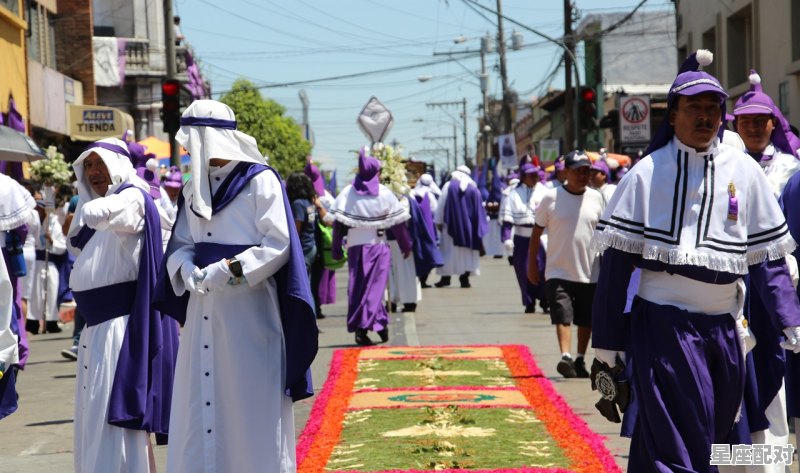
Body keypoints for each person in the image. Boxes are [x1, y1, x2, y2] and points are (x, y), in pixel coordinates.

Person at [590, 50, 800, 472]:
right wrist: (608, 347)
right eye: (694, 108)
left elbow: (766, 261)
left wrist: (790, 320)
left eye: (712, 109)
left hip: (725, 330)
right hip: (663, 328)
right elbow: (614, 272)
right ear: (673, 116)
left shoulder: (744, 170)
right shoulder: (646, 174)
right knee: (677, 443)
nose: (704, 117)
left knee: (707, 439)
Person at [158, 100, 317, 473]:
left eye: (189, 141)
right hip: (203, 312)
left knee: (249, 402)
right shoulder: (191, 188)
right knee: (200, 399)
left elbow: (277, 245)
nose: (184, 150)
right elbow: (180, 244)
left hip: (249, 312)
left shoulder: (260, 181)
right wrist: (185, 269)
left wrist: (225, 272)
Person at [67, 137, 179, 472]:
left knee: (117, 420)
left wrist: (89, 206)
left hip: (120, 331)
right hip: (96, 331)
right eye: (87, 165)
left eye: (99, 163)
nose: (93, 172)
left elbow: (103, 214)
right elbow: (74, 239)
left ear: (117, 167)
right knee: (95, 418)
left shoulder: (131, 196)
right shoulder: (110, 202)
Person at [527, 151, 605, 378]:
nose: (583, 175)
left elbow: (605, 233)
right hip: (557, 270)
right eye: (578, 171)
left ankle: (580, 358)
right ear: (565, 172)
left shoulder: (597, 198)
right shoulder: (550, 198)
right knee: (562, 314)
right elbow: (536, 232)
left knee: (585, 319)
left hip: (590, 270)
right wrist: (531, 264)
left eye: (586, 171)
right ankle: (566, 356)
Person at [330, 147, 411, 346]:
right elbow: (399, 226)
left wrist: (336, 248)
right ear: (376, 173)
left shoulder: (348, 193)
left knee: (358, 289)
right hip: (377, 247)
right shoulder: (384, 194)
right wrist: (405, 245)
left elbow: (339, 225)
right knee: (375, 290)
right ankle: (363, 327)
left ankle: (380, 324)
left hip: (356, 248)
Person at [502, 163, 549, 313]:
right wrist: (507, 237)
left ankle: (545, 300)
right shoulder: (513, 194)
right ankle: (529, 302)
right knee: (523, 270)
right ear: (523, 177)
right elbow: (507, 220)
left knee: (543, 269)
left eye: (536, 175)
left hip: (542, 237)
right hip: (522, 238)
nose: (535, 178)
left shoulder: (545, 192)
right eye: (531, 175)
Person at [433, 166, 487, 288]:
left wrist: (439, 222)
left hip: (450, 226)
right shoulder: (473, 188)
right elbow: (479, 210)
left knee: (448, 252)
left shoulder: (448, 186)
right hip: (469, 229)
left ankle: (445, 278)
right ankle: (465, 279)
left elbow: (441, 205)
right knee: (467, 253)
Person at [25, 197, 67, 335]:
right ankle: (33, 323)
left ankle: (51, 322)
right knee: (35, 293)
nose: (38, 210)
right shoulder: (32, 221)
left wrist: (52, 241)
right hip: (36, 263)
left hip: (51, 262)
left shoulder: (54, 224)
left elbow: (62, 246)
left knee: (51, 291)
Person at [304, 159, 335, 319]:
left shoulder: (321, 199)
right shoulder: (323, 198)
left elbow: (329, 220)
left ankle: (316, 307)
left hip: (317, 243)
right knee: (312, 279)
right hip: (313, 244)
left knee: (315, 279)